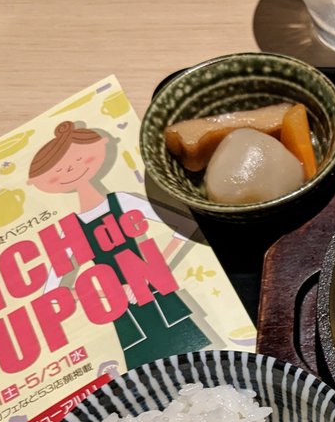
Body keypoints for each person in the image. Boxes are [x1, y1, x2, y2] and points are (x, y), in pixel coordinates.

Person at [26, 121, 210, 369]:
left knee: (200, 359)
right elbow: (51, 292)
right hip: (123, 311)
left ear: (100, 146)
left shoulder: (122, 200)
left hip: (157, 294)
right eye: (61, 171)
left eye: (79, 160)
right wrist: (107, 293)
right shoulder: (70, 228)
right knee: (148, 373)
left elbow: (185, 226)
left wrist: (149, 272)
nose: (72, 170)